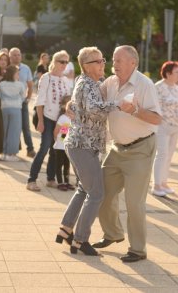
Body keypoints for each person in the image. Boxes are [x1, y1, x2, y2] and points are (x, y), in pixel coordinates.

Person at [56, 46, 131, 256]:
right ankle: (80, 240)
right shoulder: (87, 84)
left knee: (83, 189)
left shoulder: (91, 83)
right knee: (96, 194)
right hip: (82, 146)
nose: (103, 64)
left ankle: (65, 229)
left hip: (83, 145)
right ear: (87, 67)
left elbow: (80, 105)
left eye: (103, 60)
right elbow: (94, 108)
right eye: (98, 61)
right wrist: (118, 104)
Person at [91, 45, 162, 263]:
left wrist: (135, 111)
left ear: (133, 63)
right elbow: (93, 98)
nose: (114, 64)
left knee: (134, 203)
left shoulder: (145, 84)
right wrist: (72, 104)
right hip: (117, 148)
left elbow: (157, 119)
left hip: (140, 149)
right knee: (101, 192)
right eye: (113, 59)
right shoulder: (111, 82)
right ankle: (113, 233)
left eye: (119, 60)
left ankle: (138, 250)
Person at [27, 50, 72, 191]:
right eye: (62, 61)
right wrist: (40, 121)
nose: (64, 64)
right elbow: (39, 101)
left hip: (63, 122)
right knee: (45, 147)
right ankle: (31, 180)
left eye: (66, 62)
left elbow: (69, 102)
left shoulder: (66, 80)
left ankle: (51, 178)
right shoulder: (46, 77)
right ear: (55, 62)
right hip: (47, 118)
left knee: (58, 147)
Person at [152, 61, 178, 197]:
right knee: (161, 155)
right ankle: (156, 185)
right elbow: (155, 106)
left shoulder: (177, 88)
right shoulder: (158, 87)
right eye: (177, 72)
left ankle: (164, 182)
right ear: (168, 73)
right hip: (163, 127)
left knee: (169, 156)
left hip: (176, 127)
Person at [9, 47, 36, 158]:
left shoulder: (26, 68)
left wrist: (28, 98)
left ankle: (30, 149)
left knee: (26, 126)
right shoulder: (7, 68)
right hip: (9, 103)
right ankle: (15, 148)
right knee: (13, 127)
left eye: (18, 54)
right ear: (10, 56)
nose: (17, 56)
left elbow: (30, 85)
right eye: (14, 55)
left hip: (22, 102)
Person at [0, 65, 25, 161]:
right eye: (17, 73)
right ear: (13, 74)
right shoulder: (20, 85)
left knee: (5, 130)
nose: (18, 75)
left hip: (4, 108)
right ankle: (11, 155)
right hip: (16, 109)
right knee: (14, 132)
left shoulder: (2, 84)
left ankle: (4, 153)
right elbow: (23, 97)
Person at [52, 95, 75, 191]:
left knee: (67, 164)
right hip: (60, 146)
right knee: (59, 165)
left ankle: (66, 181)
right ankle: (60, 182)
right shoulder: (63, 118)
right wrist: (57, 141)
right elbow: (57, 131)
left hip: (67, 147)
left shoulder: (73, 119)